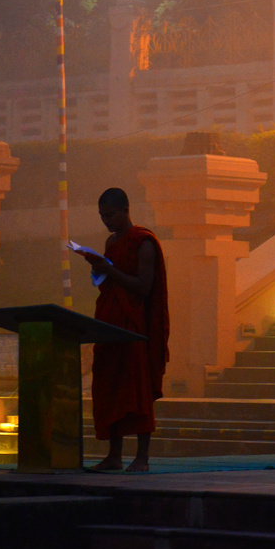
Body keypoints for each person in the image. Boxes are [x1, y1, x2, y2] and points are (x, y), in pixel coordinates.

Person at [80, 187, 169, 473]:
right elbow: (108, 282)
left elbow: (143, 287)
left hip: (134, 327)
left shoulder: (143, 242)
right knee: (108, 386)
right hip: (109, 323)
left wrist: (107, 268)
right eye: (102, 216)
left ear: (125, 211)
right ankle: (114, 455)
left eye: (111, 215)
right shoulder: (111, 241)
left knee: (137, 388)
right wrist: (98, 268)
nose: (106, 221)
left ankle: (142, 457)